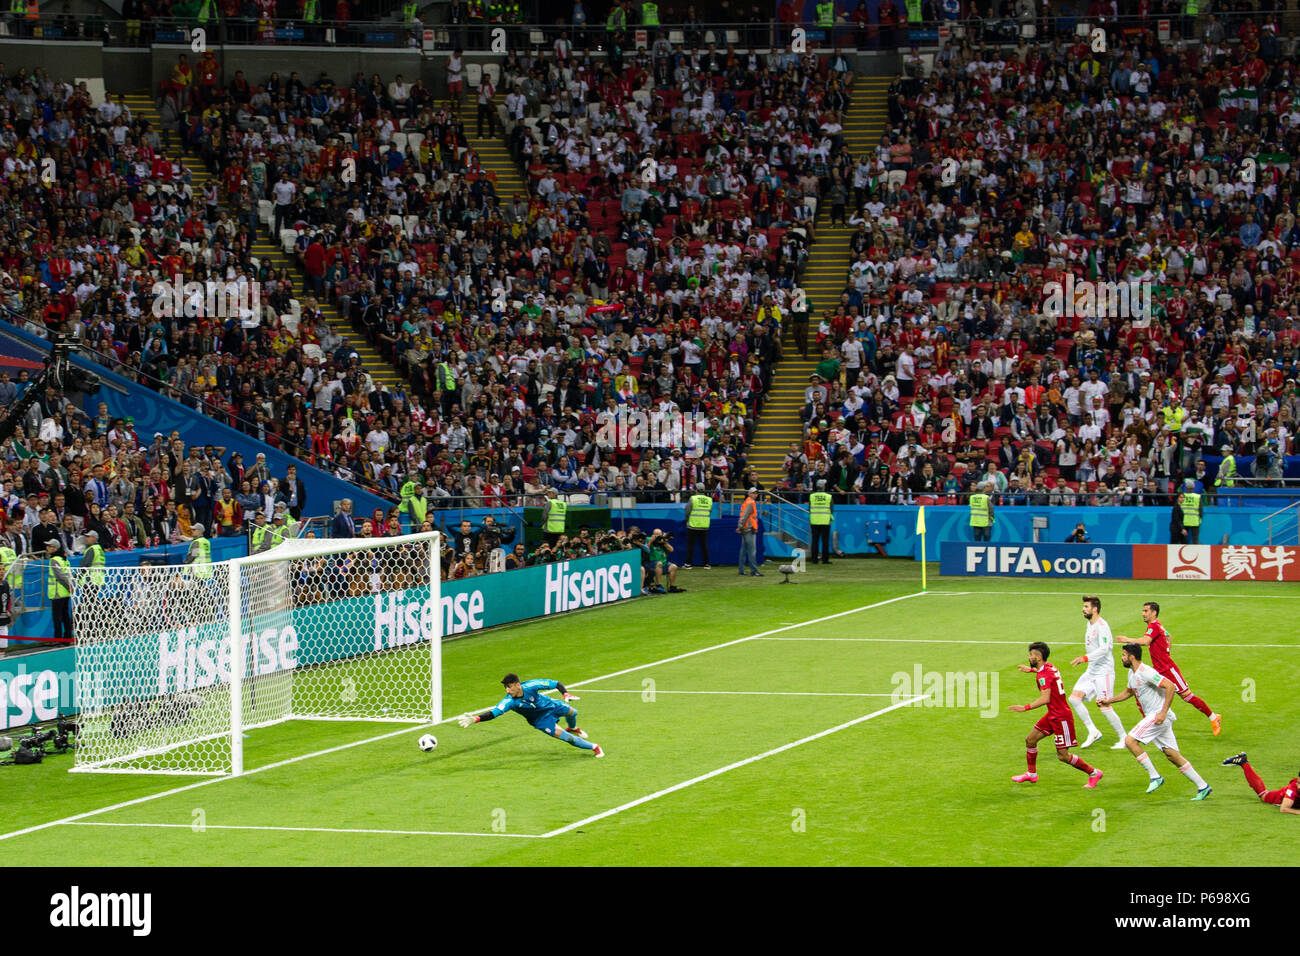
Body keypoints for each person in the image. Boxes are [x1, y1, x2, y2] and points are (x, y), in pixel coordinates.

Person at [1099, 644, 1212, 799]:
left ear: (1132, 656)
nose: (1122, 657)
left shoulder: (1146, 672)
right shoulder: (1132, 674)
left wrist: (1163, 712)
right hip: (1157, 718)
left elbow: (1170, 686)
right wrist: (1109, 701)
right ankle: (1203, 786)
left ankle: (1155, 777)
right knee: (1172, 755)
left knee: (1130, 741)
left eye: (1124, 655)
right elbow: (1128, 692)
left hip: (1157, 716)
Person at [1007, 641, 1104, 788]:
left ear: (1038, 658)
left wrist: (1025, 708)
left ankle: (1094, 773)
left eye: (1031, 655)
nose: (1029, 657)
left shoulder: (1043, 676)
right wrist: (1031, 670)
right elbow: (1046, 675)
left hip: (1061, 717)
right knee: (1030, 739)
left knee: (1063, 756)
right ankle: (1031, 774)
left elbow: (1045, 698)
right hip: (1053, 714)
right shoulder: (1049, 667)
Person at [1117, 601, 1221, 735]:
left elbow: (1146, 641)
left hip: (1168, 669)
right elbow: (1168, 635)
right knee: (1147, 692)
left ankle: (1214, 717)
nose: (1143, 614)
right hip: (1159, 669)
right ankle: (1161, 719)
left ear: (1154, 613)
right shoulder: (1156, 625)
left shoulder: (1154, 625)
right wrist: (1166, 650)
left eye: (1146, 611)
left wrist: (1127, 639)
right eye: (1143, 611)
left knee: (1187, 696)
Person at [457, 674, 603, 757]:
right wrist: (475, 719)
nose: (507, 690)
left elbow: (555, 683)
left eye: (509, 686)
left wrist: (565, 693)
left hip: (550, 705)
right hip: (541, 720)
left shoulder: (531, 686)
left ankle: (573, 727)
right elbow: (494, 713)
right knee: (567, 738)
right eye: (505, 687)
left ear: (517, 685)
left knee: (573, 712)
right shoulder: (509, 702)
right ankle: (595, 747)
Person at [1067, 595, 1129, 750]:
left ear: (1095, 609)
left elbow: (1105, 648)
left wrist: (1084, 658)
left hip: (1104, 672)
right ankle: (1093, 731)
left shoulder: (1102, 626)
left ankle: (1124, 738)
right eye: (1084, 606)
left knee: (1104, 705)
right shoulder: (1090, 624)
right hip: (1092, 670)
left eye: (1086, 607)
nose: (1083, 609)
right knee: (1074, 698)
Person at [1221, 753, 1300, 814]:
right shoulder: (1293, 789)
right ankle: (1244, 763)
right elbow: (1284, 809)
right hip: (1274, 797)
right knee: (1264, 795)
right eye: (1299, 783)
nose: (1298, 786)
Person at [45, 538, 74, 645]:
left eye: (49, 546)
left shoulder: (54, 560)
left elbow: (60, 576)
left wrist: (68, 586)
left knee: (57, 617)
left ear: (55, 548)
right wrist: (70, 586)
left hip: (58, 592)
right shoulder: (64, 559)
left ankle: (58, 638)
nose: (47, 548)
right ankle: (67, 637)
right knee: (65, 615)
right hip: (65, 592)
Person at [682, 482, 712, 569]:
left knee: (691, 546)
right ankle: (707, 564)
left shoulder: (693, 498)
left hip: (693, 525)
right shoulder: (709, 499)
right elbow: (709, 512)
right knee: (704, 546)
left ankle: (688, 564)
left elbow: (687, 512)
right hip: (704, 525)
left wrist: (687, 521)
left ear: (696, 490)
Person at [737, 486, 761, 576]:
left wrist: (740, 527)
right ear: (749, 493)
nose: (755, 494)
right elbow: (745, 516)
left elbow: (744, 516)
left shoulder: (747, 501)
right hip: (749, 529)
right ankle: (754, 571)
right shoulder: (751, 503)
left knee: (743, 550)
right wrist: (740, 527)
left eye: (756, 493)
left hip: (746, 528)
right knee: (751, 551)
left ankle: (741, 570)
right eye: (753, 493)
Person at [808, 478, 833, 564]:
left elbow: (809, 508)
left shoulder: (812, 496)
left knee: (815, 541)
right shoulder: (828, 496)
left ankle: (814, 560)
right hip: (825, 521)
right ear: (824, 487)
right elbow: (831, 509)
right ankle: (825, 560)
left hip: (814, 521)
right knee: (825, 541)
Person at [1178, 478, 1202, 544]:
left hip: (1184, 521)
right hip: (1195, 521)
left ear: (1186, 487)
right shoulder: (1197, 497)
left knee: (1183, 540)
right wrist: (1200, 518)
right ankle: (1196, 552)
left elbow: (1178, 508)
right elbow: (1201, 510)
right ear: (1193, 487)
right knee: (1195, 539)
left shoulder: (1181, 496)